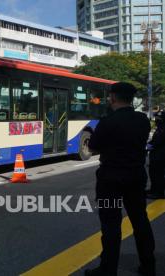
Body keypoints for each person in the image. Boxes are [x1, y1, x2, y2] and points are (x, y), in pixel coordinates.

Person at [86, 82, 155, 276]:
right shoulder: (142, 120)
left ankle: (108, 270)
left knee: (111, 225)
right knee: (140, 220)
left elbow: (93, 148)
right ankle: (148, 265)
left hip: (111, 180)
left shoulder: (107, 121)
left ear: (113, 98)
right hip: (135, 176)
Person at [146, 110, 165, 199]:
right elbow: (154, 140)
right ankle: (154, 189)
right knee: (153, 174)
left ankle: (159, 192)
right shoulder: (160, 128)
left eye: (158, 118)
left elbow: (157, 142)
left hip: (160, 156)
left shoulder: (162, 129)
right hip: (156, 156)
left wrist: (149, 146)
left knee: (158, 175)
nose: (156, 119)